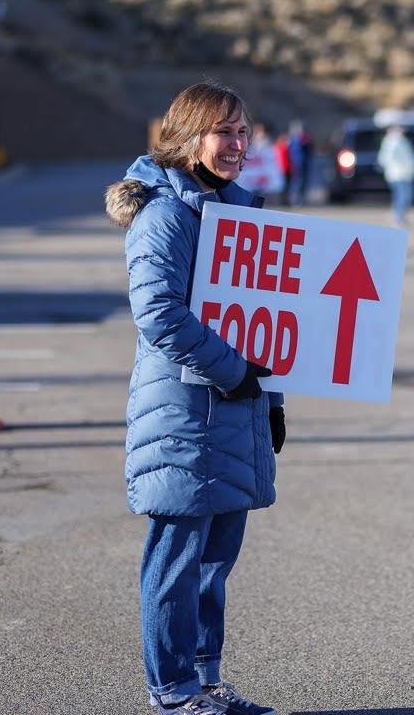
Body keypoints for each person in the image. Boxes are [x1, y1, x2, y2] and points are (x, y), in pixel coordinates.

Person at [105, 80, 285, 715]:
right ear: (189, 137)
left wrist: (272, 399)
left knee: (214, 561)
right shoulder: (165, 213)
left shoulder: (240, 214)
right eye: (223, 132)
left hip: (234, 410)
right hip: (183, 414)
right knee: (176, 561)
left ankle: (206, 682)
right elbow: (157, 313)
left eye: (243, 131)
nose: (236, 144)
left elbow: (266, 318)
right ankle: (172, 689)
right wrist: (236, 373)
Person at [377, 125, 414, 226]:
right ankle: (398, 217)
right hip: (398, 174)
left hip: (404, 173)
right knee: (403, 196)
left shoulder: (400, 141)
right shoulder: (393, 141)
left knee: (402, 196)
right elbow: (385, 158)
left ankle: (400, 216)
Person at [285, 119, 312, 206]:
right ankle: (294, 199)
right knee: (296, 182)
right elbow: (291, 153)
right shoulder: (293, 141)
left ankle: (301, 199)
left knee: (303, 182)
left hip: (304, 164)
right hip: (296, 164)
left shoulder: (304, 140)